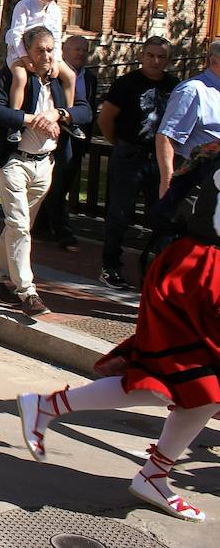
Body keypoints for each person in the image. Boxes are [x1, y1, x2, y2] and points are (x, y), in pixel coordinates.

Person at [13, 160, 220, 523]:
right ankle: (51, 409)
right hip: (198, 278)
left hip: (198, 274)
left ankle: (151, 472)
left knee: (189, 386)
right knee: (189, 383)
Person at [0, 26, 92, 317]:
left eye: (49, 49)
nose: (45, 56)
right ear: (26, 51)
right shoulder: (11, 73)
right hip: (13, 162)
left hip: (44, 164)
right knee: (19, 225)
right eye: (39, 50)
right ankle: (27, 291)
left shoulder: (60, 76)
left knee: (19, 226)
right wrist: (31, 119)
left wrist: (59, 114)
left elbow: (84, 109)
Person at [94, 37, 178, 289]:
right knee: (120, 213)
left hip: (161, 160)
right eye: (150, 55)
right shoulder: (127, 83)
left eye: (161, 57)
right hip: (130, 156)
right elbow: (106, 119)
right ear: (142, 55)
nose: (155, 61)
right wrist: (119, 143)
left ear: (168, 60)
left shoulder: (175, 86)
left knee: (163, 216)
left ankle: (159, 270)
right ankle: (110, 267)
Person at [32, 34, 96, 251]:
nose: (81, 54)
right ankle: (64, 232)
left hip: (77, 141)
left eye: (84, 50)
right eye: (76, 49)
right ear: (64, 51)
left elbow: (87, 111)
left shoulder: (90, 78)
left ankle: (40, 225)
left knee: (62, 185)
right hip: (54, 139)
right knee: (56, 187)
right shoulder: (55, 74)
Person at [5, 0, 80, 141]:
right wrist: (25, 58)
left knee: (70, 76)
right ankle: (14, 124)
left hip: (47, 54)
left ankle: (68, 119)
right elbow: (16, 34)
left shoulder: (55, 9)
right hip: (21, 51)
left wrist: (55, 60)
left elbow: (56, 36)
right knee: (21, 77)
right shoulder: (24, 6)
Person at [156, 39, 220, 220]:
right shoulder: (193, 91)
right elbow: (166, 136)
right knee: (190, 239)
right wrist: (168, 183)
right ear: (214, 61)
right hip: (196, 181)